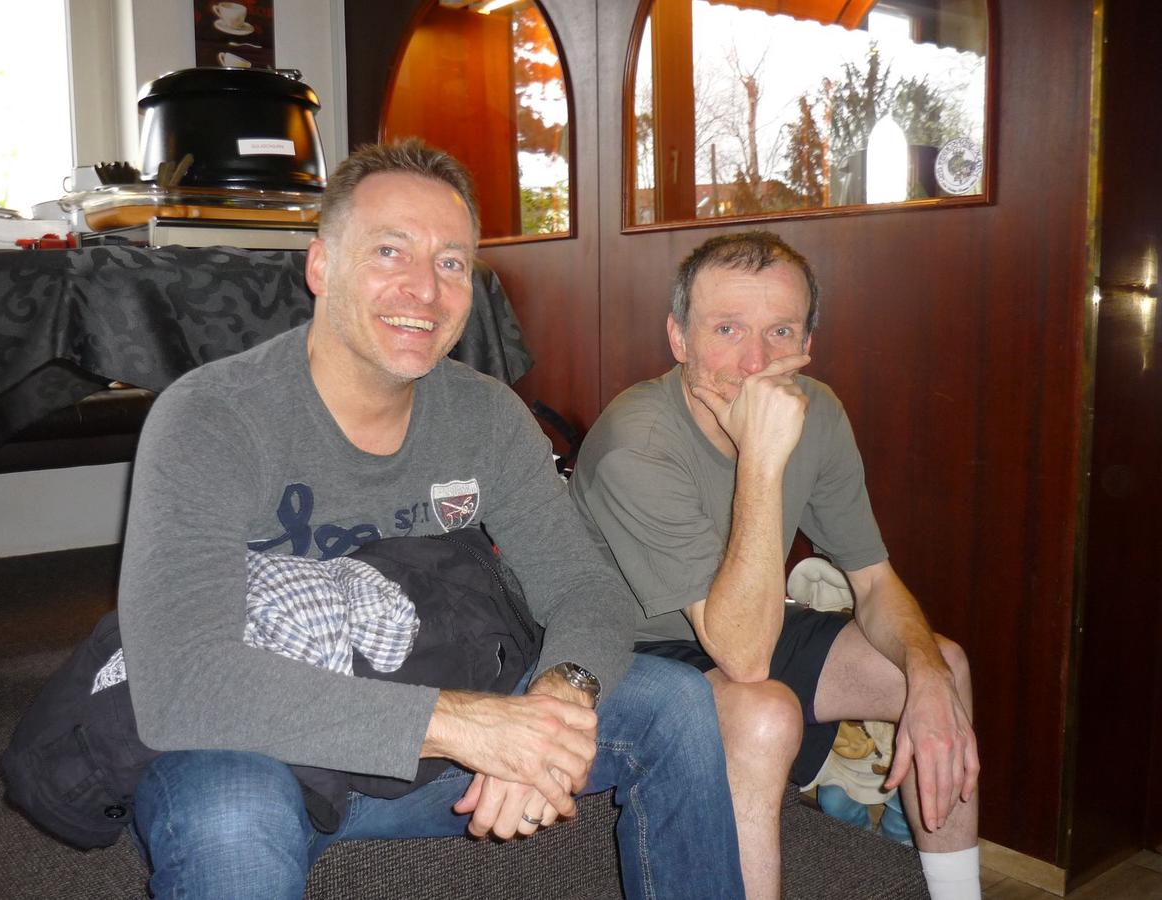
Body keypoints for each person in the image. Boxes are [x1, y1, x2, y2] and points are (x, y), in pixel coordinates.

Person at [117, 140, 745, 900]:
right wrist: (463, 726)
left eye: (451, 262)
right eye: (390, 251)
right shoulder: (212, 416)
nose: (424, 289)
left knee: (674, 703)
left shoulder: (487, 414)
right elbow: (184, 682)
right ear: (321, 266)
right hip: (262, 750)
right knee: (228, 814)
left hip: (442, 721)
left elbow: (585, 585)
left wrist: (556, 700)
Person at [569, 231, 981, 900]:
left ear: (807, 342)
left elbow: (873, 579)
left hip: (740, 614)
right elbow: (744, 657)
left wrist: (927, 675)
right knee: (764, 714)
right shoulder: (634, 442)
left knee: (943, 666)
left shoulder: (818, 411)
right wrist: (760, 459)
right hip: (625, 648)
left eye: (780, 332)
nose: (755, 362)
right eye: (726, 329)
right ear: (678, 338)